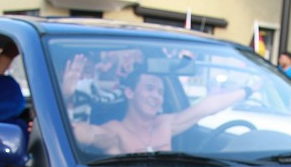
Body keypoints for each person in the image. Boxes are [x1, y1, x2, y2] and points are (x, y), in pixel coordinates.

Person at [62, 54, 252, 154]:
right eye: (149, 88)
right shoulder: (116, 132)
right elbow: (79, 134)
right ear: (129, 93)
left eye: (161, 92)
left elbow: (206, 108)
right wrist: (66, 96)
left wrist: (248, 90)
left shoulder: (166, 124)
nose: (156, 96)